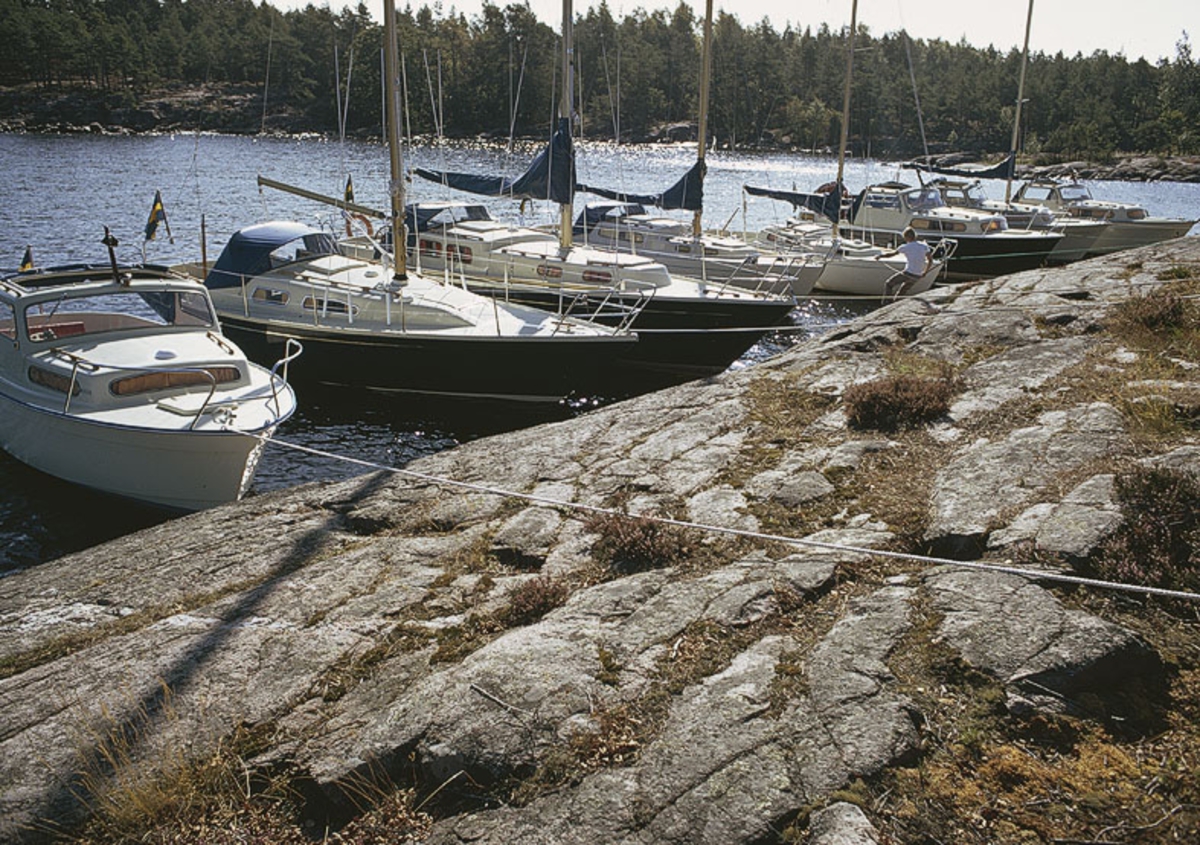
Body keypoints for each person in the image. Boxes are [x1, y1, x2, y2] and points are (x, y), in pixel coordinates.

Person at [875, 227, 932, 299]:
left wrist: (880, 256)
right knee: (901, 293)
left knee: (889, 284)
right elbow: (930, 260)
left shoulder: (905, 247)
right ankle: (894, 304)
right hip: (917, 275)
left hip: (908, 273)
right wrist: (925, 272)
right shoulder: (924, 246)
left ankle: (886, 302)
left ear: (907, 237)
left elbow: (891, 255)